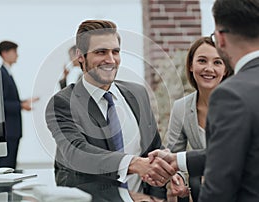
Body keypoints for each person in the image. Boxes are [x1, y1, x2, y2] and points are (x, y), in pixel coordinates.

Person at [45, 19, 176, 198]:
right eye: (101, 52)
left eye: (115, 51)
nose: (111, 60)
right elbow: (77, 153)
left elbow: (153, 148)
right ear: (80, 56)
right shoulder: (62, 103)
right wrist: (133, 163)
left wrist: (156, 196)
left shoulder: (137, 93)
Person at [146, 0, 259, 201]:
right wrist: (176, 160)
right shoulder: (184, 106)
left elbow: (220, 183)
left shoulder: (231, 94)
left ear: (221, 39)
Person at [166, 36, 232, 201]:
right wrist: (178, 179)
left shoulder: (239, 105)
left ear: (226, 69)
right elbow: (174, 154)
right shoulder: (181, 107)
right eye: (202, 61)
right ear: (190, 65)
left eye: (217, 62)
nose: (209, 68)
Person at [0, 40, 39, 169]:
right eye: (14, 52)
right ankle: (2, 190)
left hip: (12, 130)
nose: (17, 55)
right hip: (8, 130)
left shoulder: (7, 73)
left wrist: (23, 102)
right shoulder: (1, 74)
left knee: (10, 166)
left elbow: (8, 100)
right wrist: (21, 106)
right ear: (5, 53)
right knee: (5, 167)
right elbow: (0, 104)